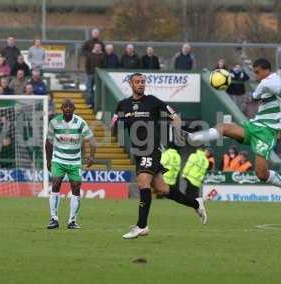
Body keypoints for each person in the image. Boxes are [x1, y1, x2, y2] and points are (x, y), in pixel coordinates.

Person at [111, 73, 207, 239]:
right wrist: (113, 130)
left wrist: (177, 132)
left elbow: (174, 116)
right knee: (162, 189)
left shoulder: (153, 102)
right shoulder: (123, 105)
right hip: (138, 153)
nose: (140, 84)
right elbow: (113, 124)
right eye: (137, 82)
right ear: (131, 84)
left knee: (142, 182)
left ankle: (142, 225)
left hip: (151, 150)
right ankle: (196, 203)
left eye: (142, 82)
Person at [189, 58, 281, 187]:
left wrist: (260, 90)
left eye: (258, 72)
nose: (256, 76)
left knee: (261, 174)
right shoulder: (265, 83)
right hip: (254, 126)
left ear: (267, 70)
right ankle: (195, 137)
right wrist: (256, 94)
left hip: (266, 133)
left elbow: (276, 87)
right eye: (254, 72)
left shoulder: (274, 81)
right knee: (224, 127)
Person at [46, 99, 96, 230]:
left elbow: (91, 140)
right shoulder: (54, 122)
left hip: (75, 161)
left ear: (74, 109)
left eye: (70, 107)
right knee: (56, 184)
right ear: (61, 109)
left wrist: (92, 156)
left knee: (76, 187)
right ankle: (53, 219)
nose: (67, 109)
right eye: (65, 106)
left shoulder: (80, 122)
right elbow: (49, 142)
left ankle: (72, 220)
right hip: (58, 160)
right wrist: (48, 160)